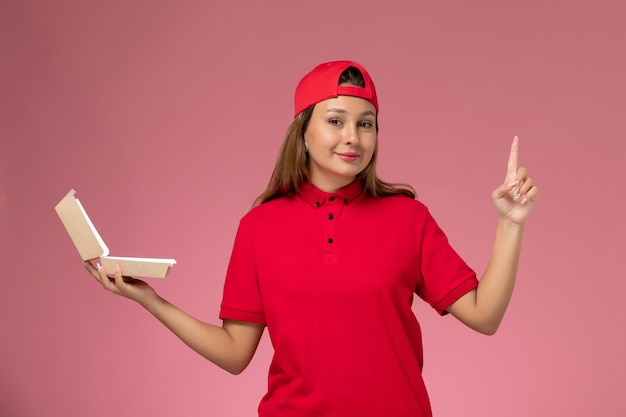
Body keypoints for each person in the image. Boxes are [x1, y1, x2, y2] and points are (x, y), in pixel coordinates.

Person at [84, 60, 538, 417]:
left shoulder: (408, 218)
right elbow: (235, 352)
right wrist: (151, 300)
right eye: (336, 121)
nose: (353, 138)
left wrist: (511, 224)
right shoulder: (260, 227)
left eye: (366, 123)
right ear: (303, 131)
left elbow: (485, 316)